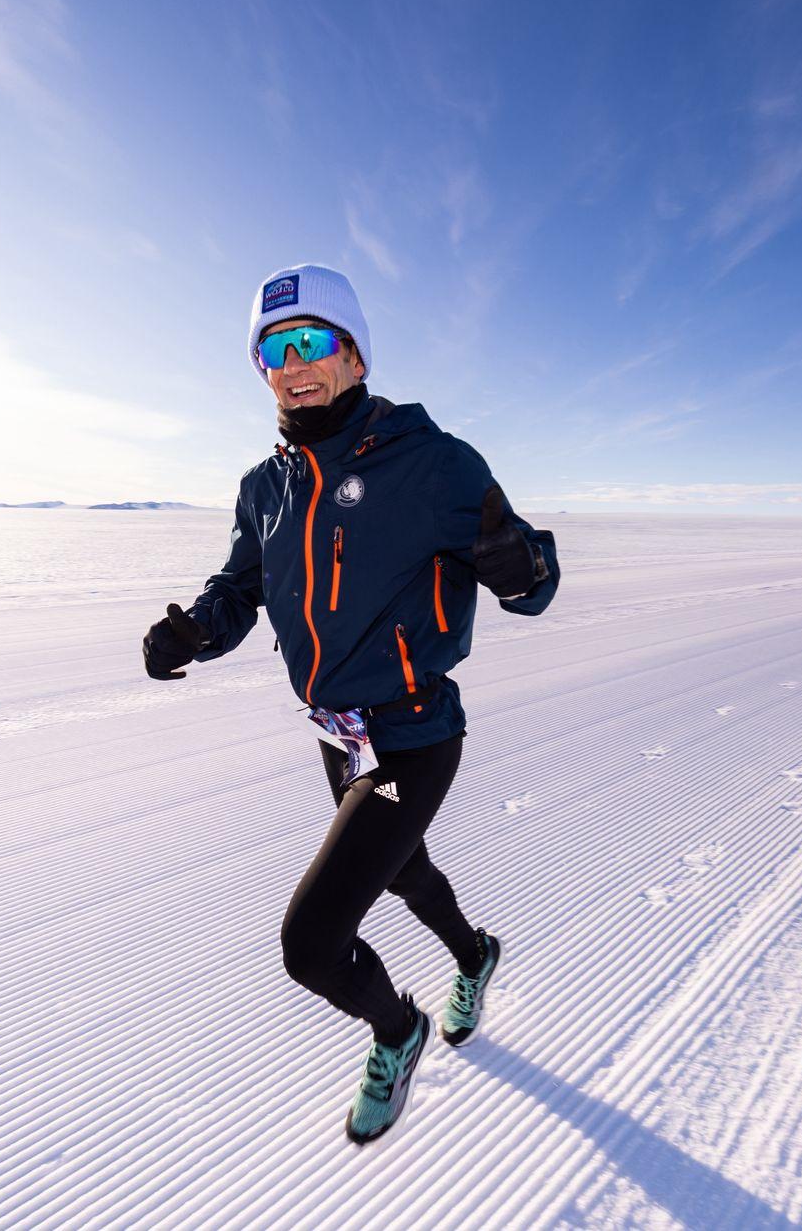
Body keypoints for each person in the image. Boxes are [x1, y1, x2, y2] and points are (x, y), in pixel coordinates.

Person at [141, 263, 558, 1144]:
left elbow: (532, 582)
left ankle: (397, 1031)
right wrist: (194, 634)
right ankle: (476, 954)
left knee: (312, 942)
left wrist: (522, 569)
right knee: (401, 869)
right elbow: (239, 587)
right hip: (343, 739)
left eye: (312, 342)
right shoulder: (267, 486)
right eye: (272, 350)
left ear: (357, 356)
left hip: (416, 735)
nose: (293, 365)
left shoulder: (434, 462)